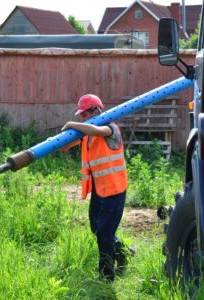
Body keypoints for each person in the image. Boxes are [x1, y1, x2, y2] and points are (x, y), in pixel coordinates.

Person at [61, 94, 130, 282]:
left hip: (115, 191)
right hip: (100, 191)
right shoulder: (87, 134)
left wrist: (72, 125)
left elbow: (95, 130)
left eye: (84, 114)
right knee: (97, 228)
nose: (82, 118)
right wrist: (59, 141)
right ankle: (123, 253)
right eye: (80, 116)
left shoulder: (110, 129)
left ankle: (106, 276)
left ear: (97, 111)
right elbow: (65, 147)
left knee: (104, 234)